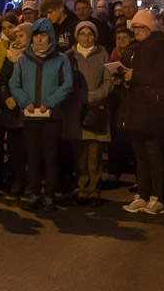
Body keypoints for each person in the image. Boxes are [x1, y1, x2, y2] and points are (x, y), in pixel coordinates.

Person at [9, 18, 74, 211]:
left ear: (50, 38)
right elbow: (14, 83)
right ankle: (35, 192)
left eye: (43, 36)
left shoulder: (61, 59)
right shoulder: (23, 60)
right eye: (36, 36)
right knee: (33, 156)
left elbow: (67, 84)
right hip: (30, 117)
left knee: (51, 157)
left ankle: (49, 195)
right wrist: (25, 102)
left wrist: (49, 102)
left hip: (51, 117)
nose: (39, 40)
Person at [117, 9, 164, 215]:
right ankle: (142, 194)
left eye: (141, 27)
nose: (137, 31)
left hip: (153, 110)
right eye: (134, 27)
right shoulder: (134, 48)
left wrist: (135, 75)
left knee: (155, 155)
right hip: (135, 108)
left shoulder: (162, 48)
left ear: (150, 28)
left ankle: (158, 197)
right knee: (140, 155)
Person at [66, 21, 113, 206]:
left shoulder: (103, 54)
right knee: (80, 153)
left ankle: (94, 190)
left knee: (95, 153)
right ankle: (82, 188)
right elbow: (65, 80)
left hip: (96, 110)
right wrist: (80, 96)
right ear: (77, 36)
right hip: (76, 110)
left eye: (90, 34)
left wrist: (96, 96)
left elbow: (109, 80)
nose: (86, 37)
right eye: (82, 33)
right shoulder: (69, 56)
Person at [0, 22, 33, 198]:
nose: (17, 39)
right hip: (12, 110)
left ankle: (32, 183)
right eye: (16, 36)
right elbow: (1, 81)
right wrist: (6, 97)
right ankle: (19, 181)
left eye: (22, 36)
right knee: (15, 150)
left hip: (30, 110)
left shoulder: (36, 56)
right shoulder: (9, 56)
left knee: (31, 151)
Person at [0, 13, 20, 188]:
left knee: (14, 141)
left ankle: (15, 175)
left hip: (15, 98)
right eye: (5, 28)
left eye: (11, 27)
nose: (8, 31)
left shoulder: (21, 46)